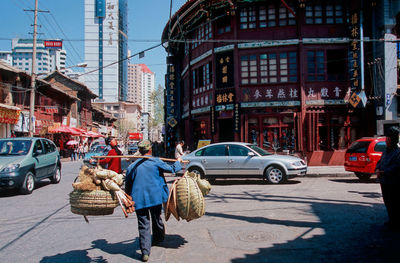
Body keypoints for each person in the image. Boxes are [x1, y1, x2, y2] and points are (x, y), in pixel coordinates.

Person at [125, 140, 182, 262]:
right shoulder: (156, 161)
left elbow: (128, 185)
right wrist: (178, 162)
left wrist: (128, 198)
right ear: (150, 150)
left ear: (140, 151)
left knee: (143, 224)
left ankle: (145, 252)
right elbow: (172, 169)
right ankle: (158, 238)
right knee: (156, 218)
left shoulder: (132, 166)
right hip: (155, 197)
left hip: (139, 199)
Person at [375, 126, 400, 231]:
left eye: (389, 139)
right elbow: (380, 162)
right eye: (386, 139)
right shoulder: (386, 151)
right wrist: (377, 169)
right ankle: (391, 220)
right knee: (387, 202)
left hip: (393, 182)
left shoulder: (398, 152)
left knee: (394, 202)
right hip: (384, 181)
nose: (387, 141)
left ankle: (396, 222)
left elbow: (397, 167)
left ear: (394, 140)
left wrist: (384, 172)